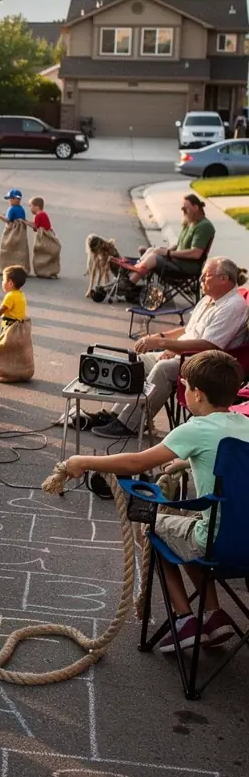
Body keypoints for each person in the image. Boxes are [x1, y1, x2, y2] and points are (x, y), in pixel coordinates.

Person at [64, 351, 249, 652]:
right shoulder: (244, 424)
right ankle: (215, 616)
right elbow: (233, 463)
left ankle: (185, 618)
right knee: (183, 530)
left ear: (198, 394)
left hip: (218, 542)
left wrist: (83, 461)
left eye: (185, 388)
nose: (184, 394)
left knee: (152, 527)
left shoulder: (196, 429)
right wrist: (187, 463)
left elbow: (137, 462)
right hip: (245, 543)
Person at [93, 256, 249, 438]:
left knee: (163, 369)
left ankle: (130, 423)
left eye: (206, 276)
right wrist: (162, 337)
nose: (200, 280)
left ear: (223, 279)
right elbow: (189, 329)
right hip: (186, 354)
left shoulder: (232, 307)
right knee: (135, 361)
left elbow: (209, 346)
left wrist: (164, 344)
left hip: (206, 364)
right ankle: (115, 415)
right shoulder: (210, 299)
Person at [127, 194, 214, 285]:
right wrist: (164, 250)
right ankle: (130, 274)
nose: (183, 211)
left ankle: (129, 284)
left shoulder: (204, 226)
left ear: (196, 207)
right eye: (182, 208)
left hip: (187, 267)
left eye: (185, 208)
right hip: (179, 262)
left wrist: (168, 253)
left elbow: (196, 253)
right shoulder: (190, 222)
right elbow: (179, 244)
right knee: (152, 250)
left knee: (153, 258)